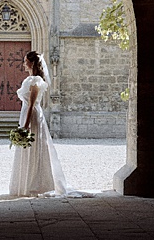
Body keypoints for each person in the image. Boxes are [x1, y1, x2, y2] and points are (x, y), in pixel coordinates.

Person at [9, 50, 92, 197]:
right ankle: (25, 184)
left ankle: (36, 185)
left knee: (35, 148)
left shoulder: (35, 81)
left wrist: (26, 125)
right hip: (27, 114)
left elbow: (31, 104)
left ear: (32, 62)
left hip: (32, 116)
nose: (23, 63)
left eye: (25, 60)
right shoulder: (31, 79)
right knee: (27, 149)